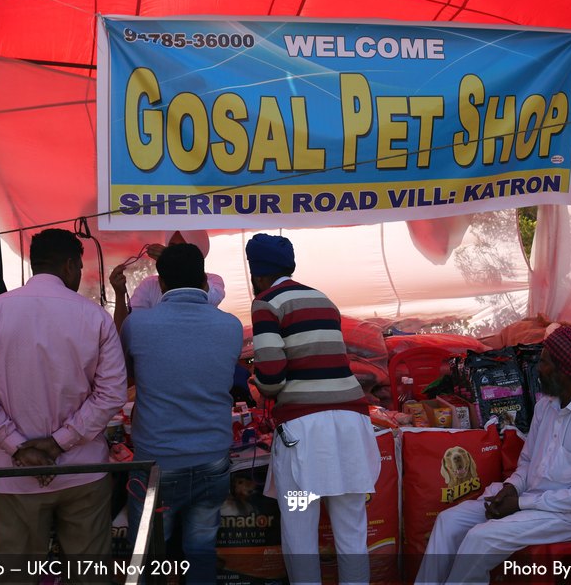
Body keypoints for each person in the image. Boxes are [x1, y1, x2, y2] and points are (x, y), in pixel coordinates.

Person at [0, 228, 128, 581]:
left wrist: (18, 447)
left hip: (11, 475)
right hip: (82, 472)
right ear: (70, 265)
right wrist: (58, 443)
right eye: (79, 268)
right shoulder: (94, 316)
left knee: (17, 576)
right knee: (89, 576)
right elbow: (111, 393)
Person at [415, 324, 571, 585]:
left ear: (564, 371)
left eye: (544, 363)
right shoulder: (546, 406)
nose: (538, 370)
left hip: (569, 516)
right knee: (449, 521)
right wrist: (511, 489)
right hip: (529, 498)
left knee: (480, 538)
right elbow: (527, 462)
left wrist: (520, 503)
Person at [246, 233, 380, 585]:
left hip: (305, 434)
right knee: (352, 532)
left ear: (257, 273)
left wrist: (258, 380)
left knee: (300, 531)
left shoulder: (266, 302)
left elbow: (271, 377)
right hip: (351, 428)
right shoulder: (324, 299)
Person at [121, 242, 243, 583]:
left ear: (160, 284)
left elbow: (126, 375)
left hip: (157, 460)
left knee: (148, 554)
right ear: (205, 281)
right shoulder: (231, 326)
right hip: (213, 457)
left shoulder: (137, 324)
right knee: (201, 550)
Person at [109, 230, 225, 331]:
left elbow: (211, 298)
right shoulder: (150, 284)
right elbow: (126, 330)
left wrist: (172, 259)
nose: (176, 252)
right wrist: (120, 294)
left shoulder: (213, 280)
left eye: (182, 247)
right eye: (172, 247)